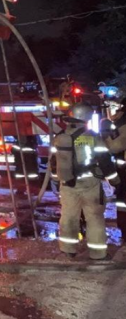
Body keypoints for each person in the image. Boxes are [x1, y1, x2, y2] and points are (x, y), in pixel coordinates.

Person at [54, 102, 119, 260]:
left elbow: (53, 162)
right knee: (94, 217)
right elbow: (104, 161)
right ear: (87, 118)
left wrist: (61, 179)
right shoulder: (93, 137)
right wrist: (114, 180)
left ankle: (68, 249)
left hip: (68, 184)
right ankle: (98, 253)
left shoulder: (60, 137)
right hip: (90, 183)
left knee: (69, 216)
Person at [103, 98, 126, 238]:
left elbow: (113, 147)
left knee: (123, 203)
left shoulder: (122, 124)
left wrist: (105, 136)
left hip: (124, 172)